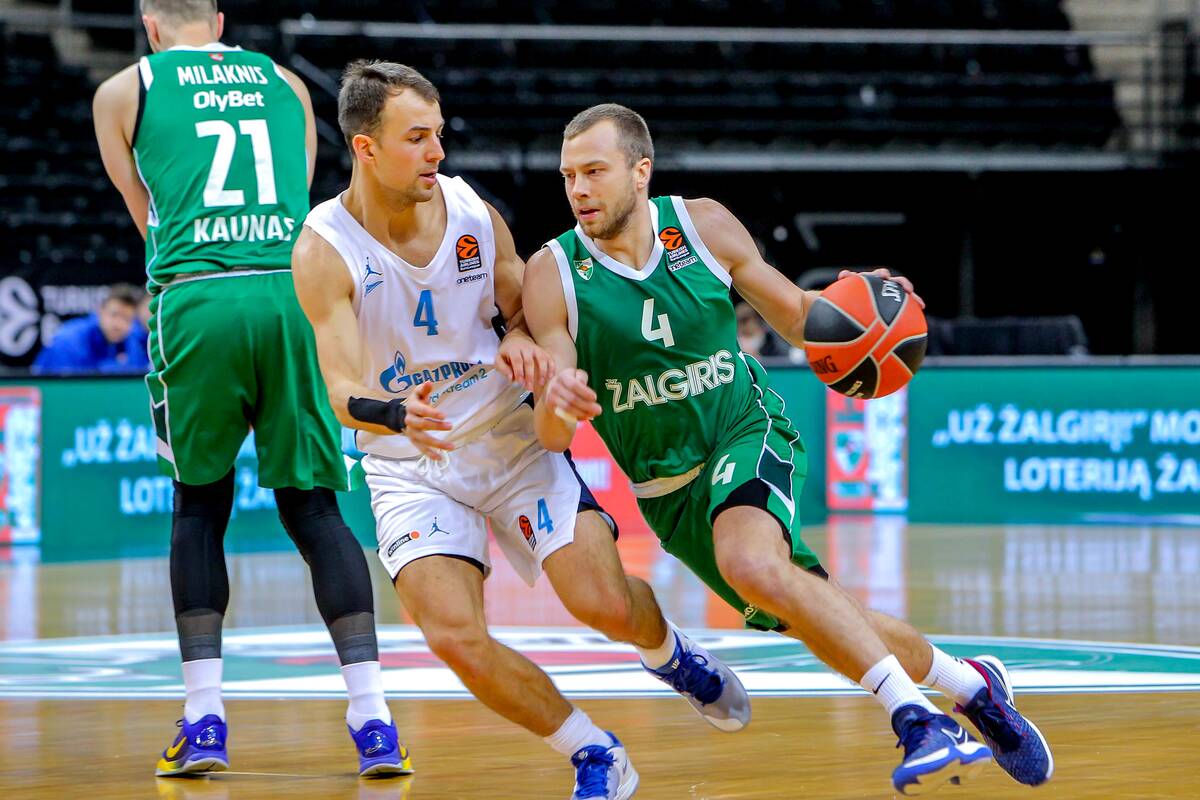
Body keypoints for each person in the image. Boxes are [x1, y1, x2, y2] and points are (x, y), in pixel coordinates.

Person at [523, 103, 1054, 796]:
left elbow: (801, 318)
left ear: (640, 171)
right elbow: (552, 433)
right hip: (667, 493)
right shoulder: (552, 272)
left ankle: (919, 721)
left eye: (594, 171)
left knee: (751, 563)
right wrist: (559, 401)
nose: (579, 189)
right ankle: (973, 686)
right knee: (809, 608)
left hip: (745, 429)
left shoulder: (702, 226)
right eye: (568, 175)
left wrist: (863, 305)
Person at [291, 62, 749, 800]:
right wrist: (396, 413)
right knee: (453, 636)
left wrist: (519, 342)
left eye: (439, 133)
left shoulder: (471, 211)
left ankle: (668, 652)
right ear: (366, 148)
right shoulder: (324, 248)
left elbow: (521, 310)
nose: (438, 152)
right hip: (410, 460)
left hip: (509, 436)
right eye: (418, 138)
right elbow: (341, 389)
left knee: (600, 602)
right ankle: (593, 751)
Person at [92, 0, 408, 778]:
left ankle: (205, 719)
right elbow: (296, 196)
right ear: (220, 19)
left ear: (150, 24)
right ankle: (374, 721)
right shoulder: (286, 84)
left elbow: (149, 221)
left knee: (200, 506)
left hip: (199, 298)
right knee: (316, 508)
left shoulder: (124, 91)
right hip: (291, 295)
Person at [32, 284, 150, 375]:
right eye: (114, 315)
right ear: (100, 311)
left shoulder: (132, 341)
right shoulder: (68, 341)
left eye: (127, 319)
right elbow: (63, 390)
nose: (119, 324)